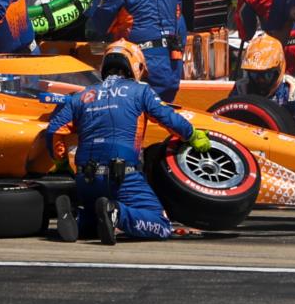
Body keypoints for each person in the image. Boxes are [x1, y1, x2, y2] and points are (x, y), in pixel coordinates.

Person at [46, 42, 210, 244]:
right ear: (136, 66)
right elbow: (169, 118)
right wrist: (192, 135)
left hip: (86, 179)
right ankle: (115, 213)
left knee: (98, 216)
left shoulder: (81, 96)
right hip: (123, 177)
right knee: (161, 225)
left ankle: (79, 218)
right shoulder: (140, 91)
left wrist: (62, 163)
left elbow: (54, 130)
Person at [231, 34, 295, 132]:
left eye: (266, 75)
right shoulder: (241, 87)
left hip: (284, 141)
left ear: (278, 69)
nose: (260, 80)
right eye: (254, 74)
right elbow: (227, 117)